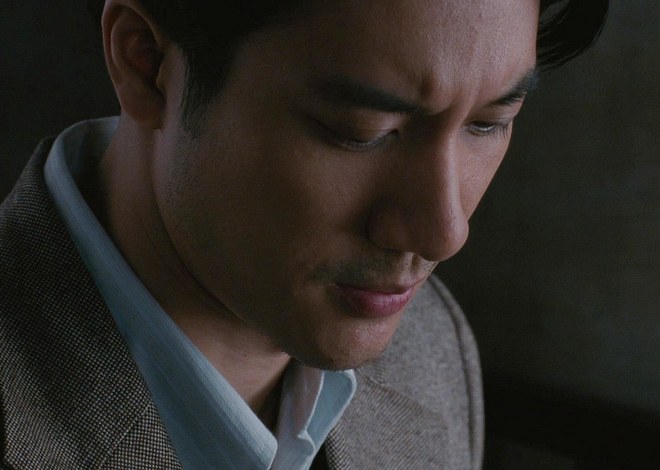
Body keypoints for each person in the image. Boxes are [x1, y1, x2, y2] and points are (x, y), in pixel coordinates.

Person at [0, 0, 607, 468]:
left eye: (489, 123)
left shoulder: (429, 347)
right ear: (147, 63)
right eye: (362, 131)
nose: (444, 233)